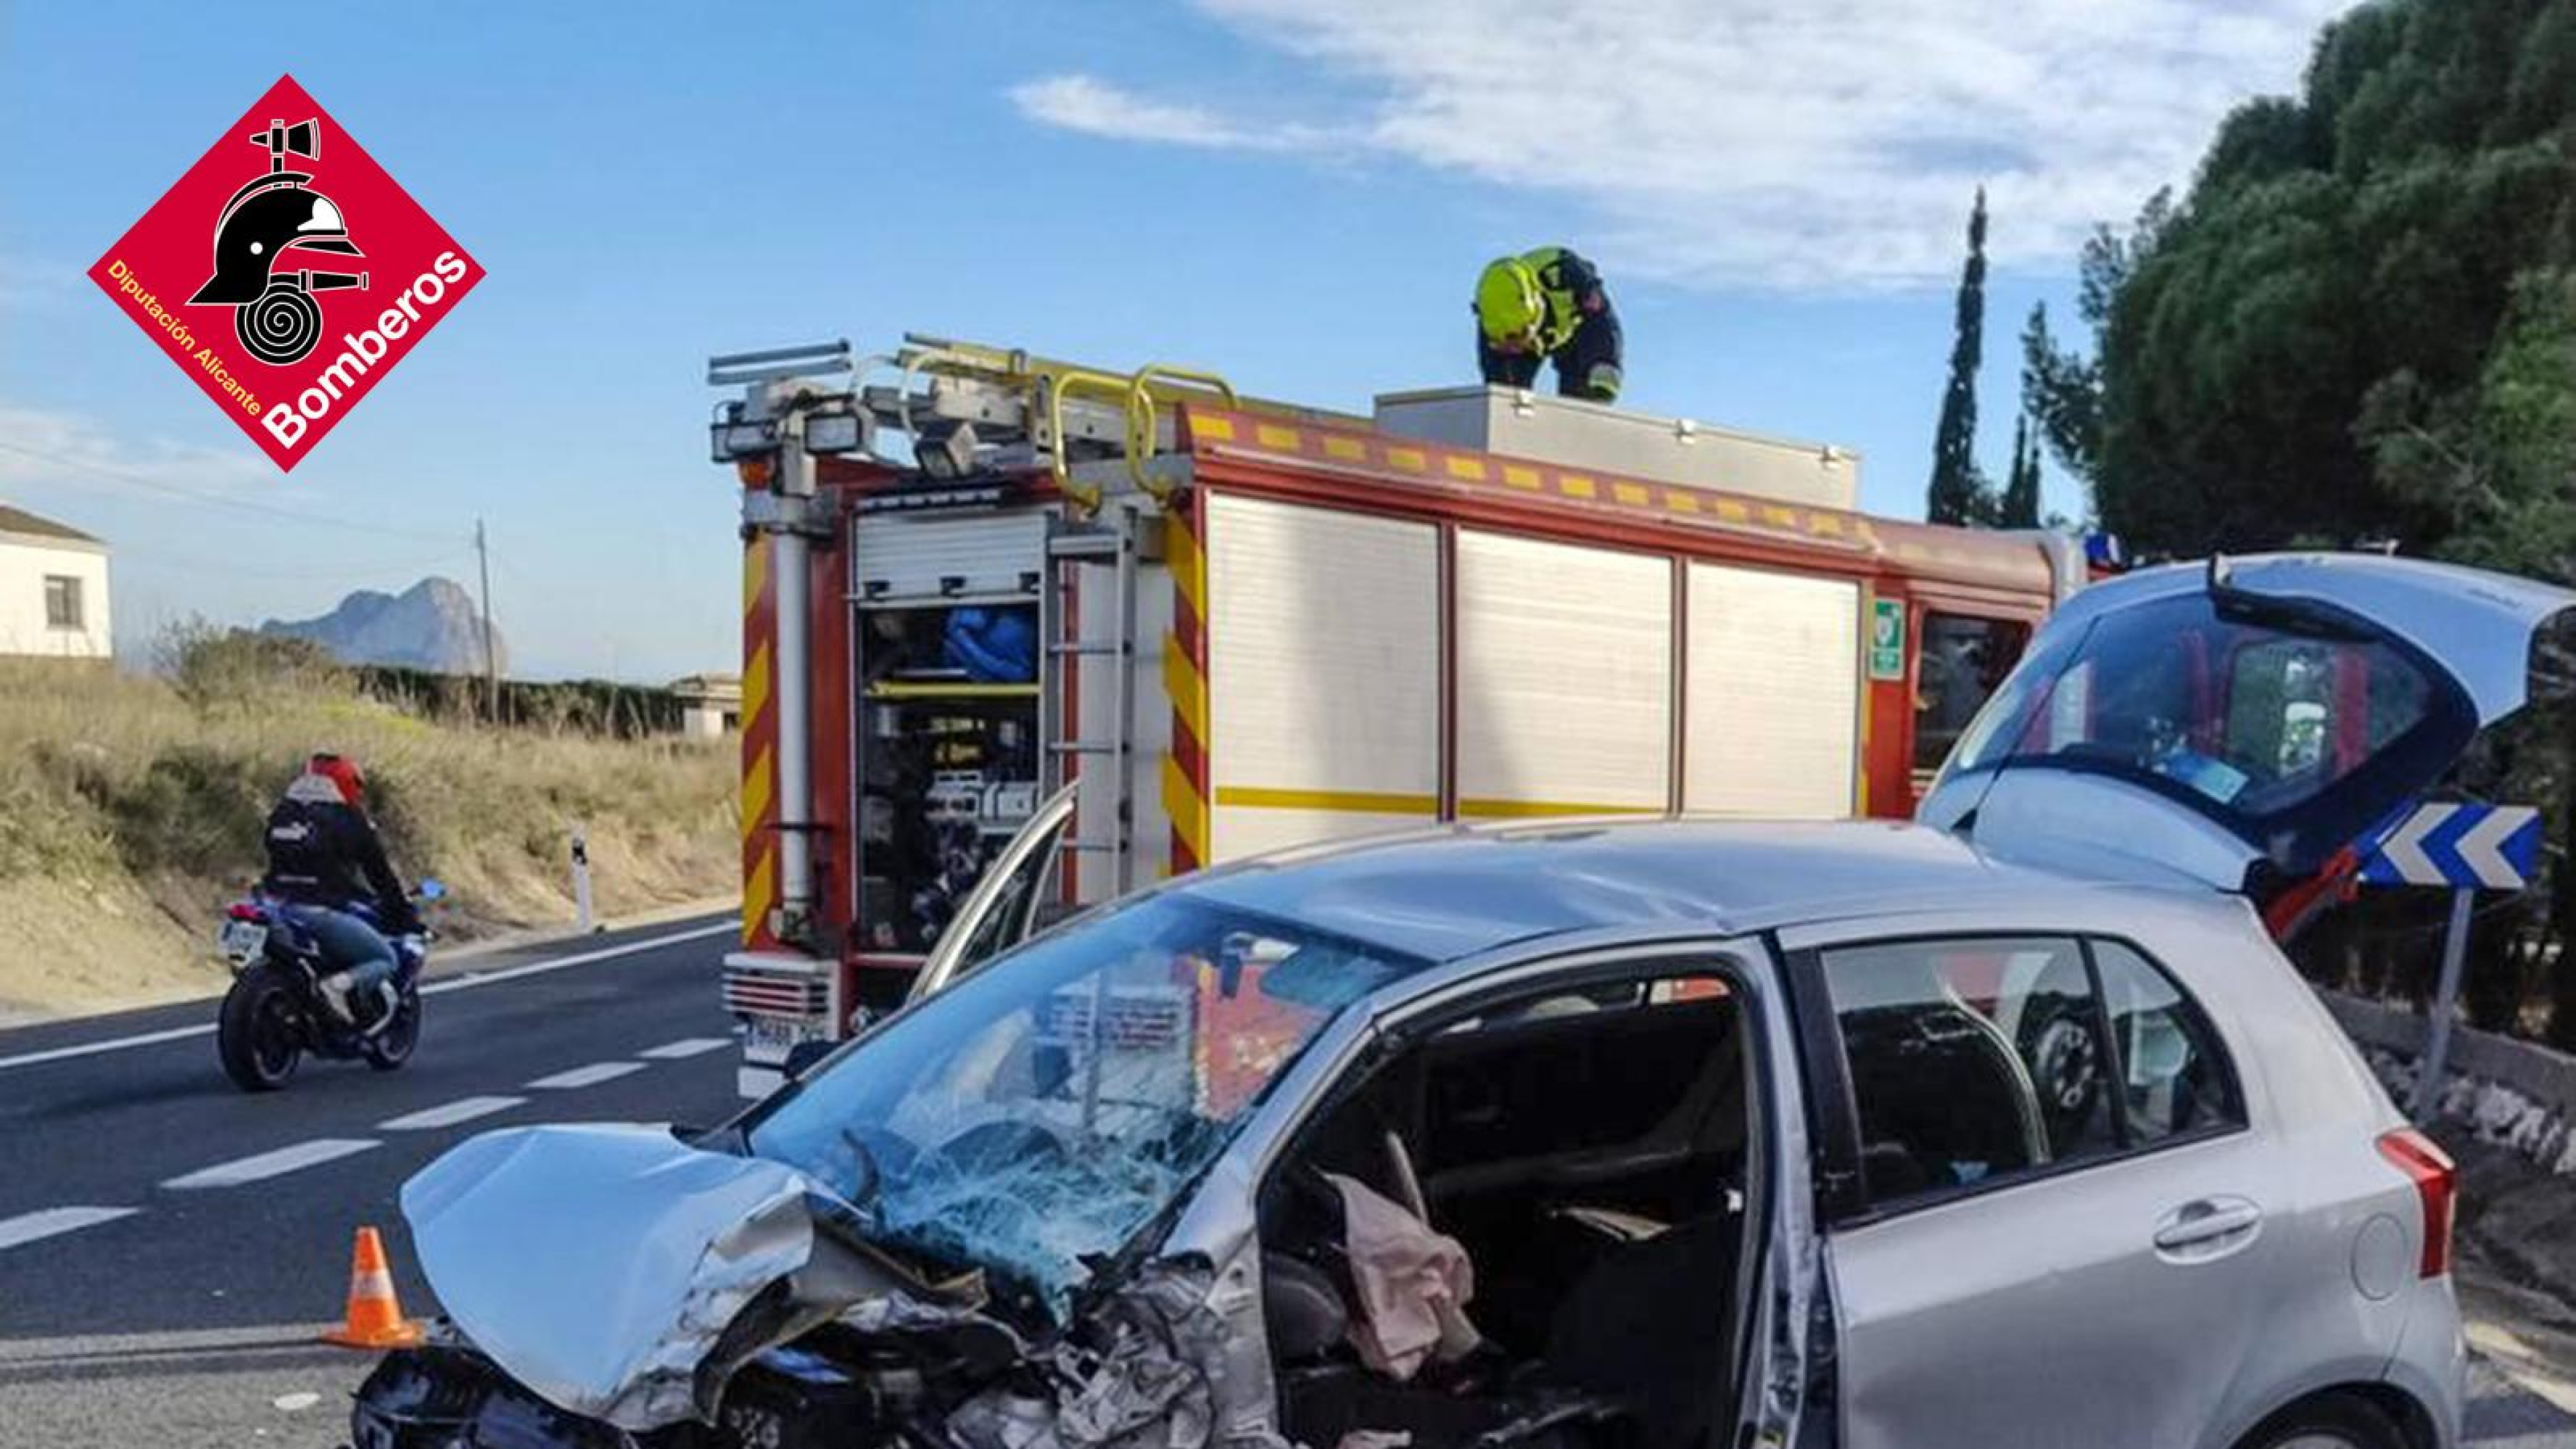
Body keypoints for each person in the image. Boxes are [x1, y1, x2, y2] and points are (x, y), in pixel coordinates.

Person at [260, 751, 420, 1028]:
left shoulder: (282, 813)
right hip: (321, 913)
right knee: (385, 958)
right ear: (347, 783)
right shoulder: (349, 820)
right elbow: (381, 876)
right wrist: (404, 916)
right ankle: (338, 987)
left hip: (273, 905)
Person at [1473, 247, 1624, 403]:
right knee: (1510, 400)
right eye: (1507, 343)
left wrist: (1603, 375)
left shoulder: (1570, 277)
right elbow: (1497, 392)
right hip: (1538, 336)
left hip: (1575, 331)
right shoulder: (1493, 320)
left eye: (1519, 336)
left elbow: (1602, 326)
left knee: (1583, 399)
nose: (1516, 347)